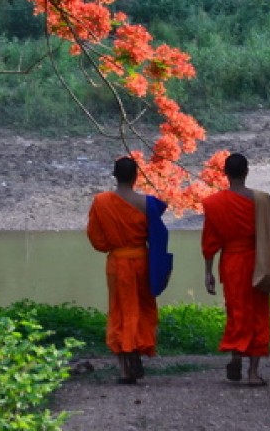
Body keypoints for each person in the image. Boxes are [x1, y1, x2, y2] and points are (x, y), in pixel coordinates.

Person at [87, 156, 171, 384]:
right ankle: (137, 347)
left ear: (115, 175)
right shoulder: (148, 203)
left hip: (118, 263)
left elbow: (97, 240)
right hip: (142, 261)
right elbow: (160, 235)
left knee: (121, 310)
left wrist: (113, 246)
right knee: (141, 308)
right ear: (136, 176)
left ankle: (125, 366)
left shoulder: (101, 202)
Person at [201, 152, 270, 386]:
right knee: (258, 313)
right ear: (247, 172)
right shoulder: (262, 199)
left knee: (237, 312)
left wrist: (208, 272)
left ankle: (236, 355)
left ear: (225, 174)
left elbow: (210, 242)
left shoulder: (214, 203)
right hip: (258, 262)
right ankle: (253, 373)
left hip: (232, 264)